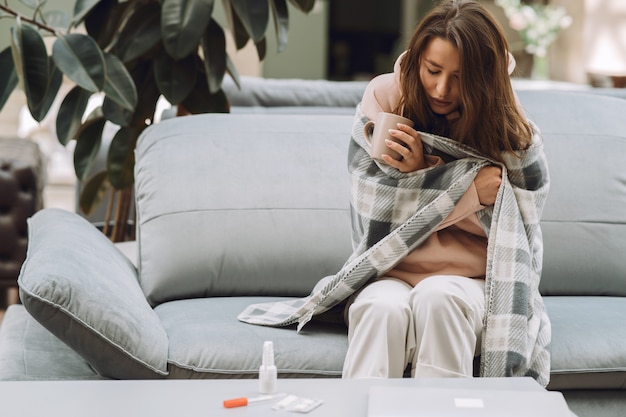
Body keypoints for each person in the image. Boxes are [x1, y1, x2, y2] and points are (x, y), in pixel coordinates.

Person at [341, 0, 548, 379]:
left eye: (460, 77)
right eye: (432, 70)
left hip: (472, 281)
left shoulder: (510, 127)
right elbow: (373, 213)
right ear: (417, 58)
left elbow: (515, 231)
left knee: (440, 298)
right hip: (390, 269)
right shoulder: (387, 99)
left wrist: (422, 183)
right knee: (380, 310)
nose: (441, 88)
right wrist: (460, 188)